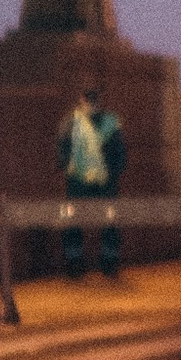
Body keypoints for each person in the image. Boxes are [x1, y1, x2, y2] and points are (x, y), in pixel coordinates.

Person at [55, 85, 123, 276]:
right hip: (86, 180)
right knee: (77, 220)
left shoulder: (73, 122)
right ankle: (81, 263)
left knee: (106, 221)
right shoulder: (72, 122)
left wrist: (115, 171)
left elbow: (63, 148)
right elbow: (63, 148)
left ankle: (100, 263)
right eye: (89, 99)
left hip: (95, 181)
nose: (91, 103)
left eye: (93, 99)